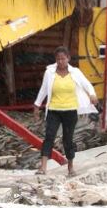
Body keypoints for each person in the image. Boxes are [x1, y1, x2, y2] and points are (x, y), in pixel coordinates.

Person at [33, 46, 99, 177]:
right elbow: (43, 90)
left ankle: (70, 167)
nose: (60, 61)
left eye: (63, 59)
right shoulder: (50, 73)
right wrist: (36, 106)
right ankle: (43, 167)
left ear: (68, 58)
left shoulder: (75, 72)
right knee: (49, 137)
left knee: (68, 139)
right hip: (54, 110)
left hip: (70, 111)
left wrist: (92, 95)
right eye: (58, 59)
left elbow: (87, 84)